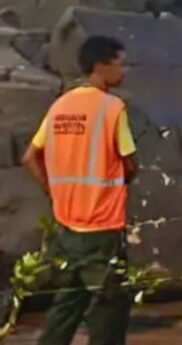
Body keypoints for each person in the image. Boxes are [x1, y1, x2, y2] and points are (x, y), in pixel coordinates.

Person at [22, 35, 138, 345]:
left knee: (69, 299)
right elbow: (129, 163)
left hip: (66, 223)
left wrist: (52, 190)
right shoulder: (112, 107)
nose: (123, 71)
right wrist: (122, 178)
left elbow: (30, 157)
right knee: (111, 303)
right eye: (119, 64)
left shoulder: (61, 105)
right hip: (101, 224)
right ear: (100, 66)